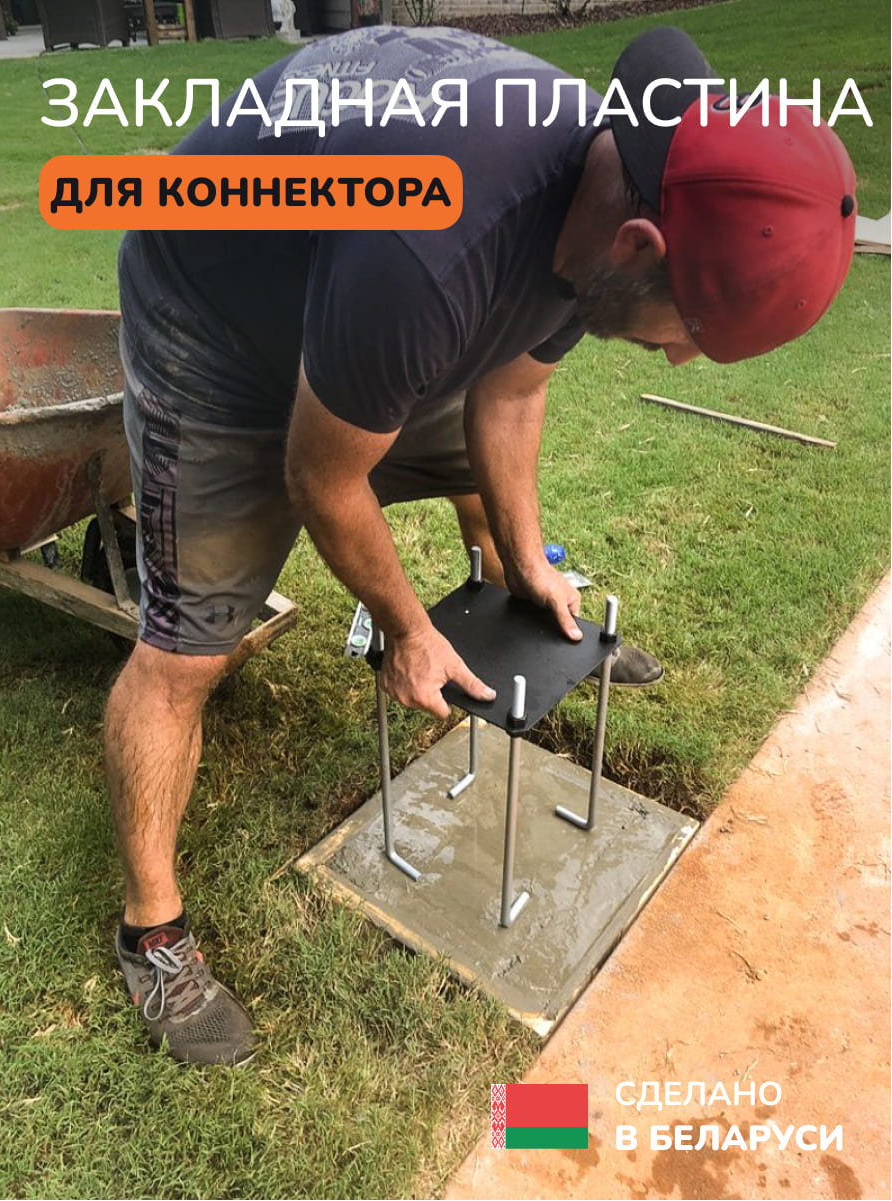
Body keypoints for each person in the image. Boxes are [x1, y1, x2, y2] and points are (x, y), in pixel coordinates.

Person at [109, 25, 856, 1065]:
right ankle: (152, 933)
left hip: (353, 298)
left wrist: (529, 558)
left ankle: (515, 596)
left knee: (461, 460)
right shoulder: (434, 253)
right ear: (640, 247)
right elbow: (322, 480)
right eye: (689, 330)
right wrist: (405, 628)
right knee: (187, 652)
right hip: (214, 315)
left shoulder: (605, 201)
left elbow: (508, 395)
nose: (680, 360)